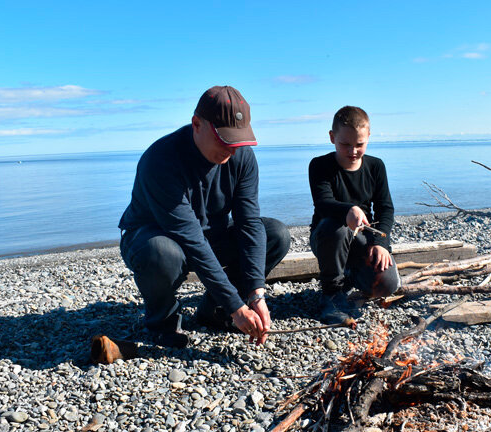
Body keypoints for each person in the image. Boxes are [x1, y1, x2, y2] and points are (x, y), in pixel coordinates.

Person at [118, 85, 290, 348]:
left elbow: (249, 223)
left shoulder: (241, 156)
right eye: (224, 140)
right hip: (154, 238)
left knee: (276, 234)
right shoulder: (161, 160)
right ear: (197, 124)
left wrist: (256, 294)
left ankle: (215, 312)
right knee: (162, 252)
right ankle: (162, 323)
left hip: (211, 235)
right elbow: (190, 239)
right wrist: (236, 306)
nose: (232, 150)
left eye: (238, 140)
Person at [308, 105, 400, 324]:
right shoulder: (319, 165)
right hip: (327, 237)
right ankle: (331, 295)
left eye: (359, 144)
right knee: (337, 227)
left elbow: (385, 208)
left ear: (368, 137)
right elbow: (323, 203)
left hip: (364, 238)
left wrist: (380, 243)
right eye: (345, 144)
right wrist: (348, 210)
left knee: (388, 285)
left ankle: (350, 275)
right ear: (332, 137)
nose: (353, 151)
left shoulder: (376, 166)